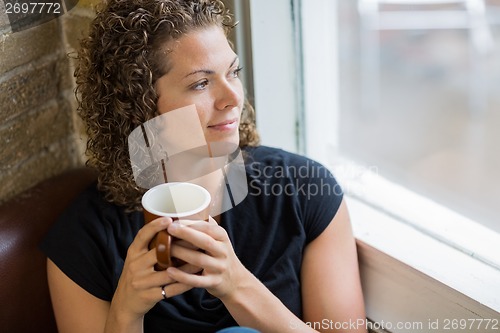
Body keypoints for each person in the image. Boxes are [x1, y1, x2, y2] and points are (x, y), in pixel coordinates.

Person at [40, 0, 367, 332]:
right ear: (141, 106)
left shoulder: (305, 190)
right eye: (200, 83)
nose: (232, 98)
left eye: (232, 73)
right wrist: (126, 312)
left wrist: (238, 286)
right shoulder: (84, 239)